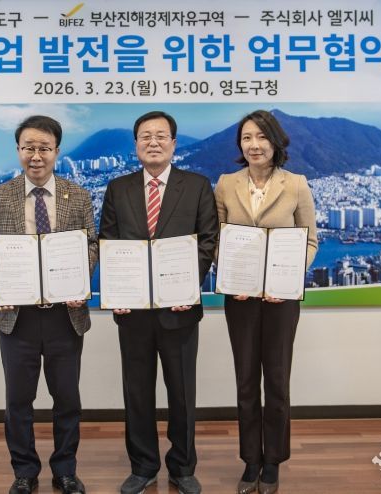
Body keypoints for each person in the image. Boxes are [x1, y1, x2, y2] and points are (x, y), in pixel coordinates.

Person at [99, 111, 219, 494]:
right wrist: (117, 291)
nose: (153, 142)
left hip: (179, 310)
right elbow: (109, 241)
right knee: (137, 392)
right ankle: (143, 466)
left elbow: (207, 240)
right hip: (133, 311)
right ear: (136, 145)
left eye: (161, 135)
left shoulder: (197, 185)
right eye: (145, 136)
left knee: (182, 392)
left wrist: (187, 288)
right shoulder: (118, 188)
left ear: (173, 143)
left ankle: (183, 467)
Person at [0, 115, 97, 494]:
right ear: (18, 150)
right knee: (18, 401)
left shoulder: (78, 195)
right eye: (28, 148)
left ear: (57, 151)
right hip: (18, 317)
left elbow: (91, 245)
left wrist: (81, 280)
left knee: (67, 399)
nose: (36, 156)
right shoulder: (1, 196)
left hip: (65, 316)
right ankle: (24, 472)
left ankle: (65, 470)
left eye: (44, 148)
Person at [214, 110, 318, 494]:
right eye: (246, 138)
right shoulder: (226, 184)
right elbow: (217, 239)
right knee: (245, 381)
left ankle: (272, 461)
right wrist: (229, 275)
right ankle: (250, 460)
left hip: (280, 299)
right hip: (240, 298)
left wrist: (286, 280)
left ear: (275, 142)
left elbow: (310, 241)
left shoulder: (297, 185)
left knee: (276, 379)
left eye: (261, 137)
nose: (254, 145)